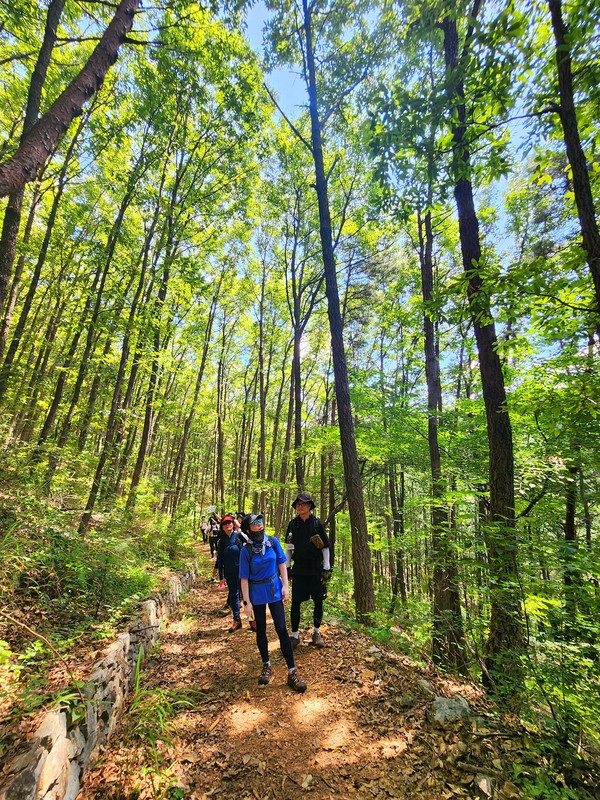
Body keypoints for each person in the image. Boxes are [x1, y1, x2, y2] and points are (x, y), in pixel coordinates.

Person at [239, 513, 306, 692]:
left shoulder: (272, 541)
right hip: (257, 593)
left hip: (274, 589)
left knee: (282, 629)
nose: (260, 525)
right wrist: (246, 603)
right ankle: (266, 665)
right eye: (255, 523)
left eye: (260, 521)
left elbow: (282, 564)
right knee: (260, 629)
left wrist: (286, 586)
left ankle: (292, 671)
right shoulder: (245, 550)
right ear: (247, 529)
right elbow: (243, 578)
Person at [285, 493, 331, 649]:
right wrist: (287, 567)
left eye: (304, 504)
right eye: (298, 504)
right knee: (296, 603)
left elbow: (325, 547)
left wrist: (326, 568)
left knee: (318, 601)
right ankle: (295, 636)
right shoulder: (292, 524)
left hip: (316, 570)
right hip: (299, 570)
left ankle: (316, 633)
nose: (300, 506)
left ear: (310, 506)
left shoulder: (317, 524)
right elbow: (289, 547)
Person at [216, 514, 244, 633]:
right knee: (234, 595)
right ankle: (236, 620)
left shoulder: (239, 537)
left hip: (242, 571)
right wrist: (221, 577)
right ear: (222, 527)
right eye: (225, 523)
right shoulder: (221, 542)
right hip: (229, 572)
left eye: (229, 523)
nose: (228, 525)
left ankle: (253, 619)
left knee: (247, 595)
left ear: (233, 524)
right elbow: (220, 559)